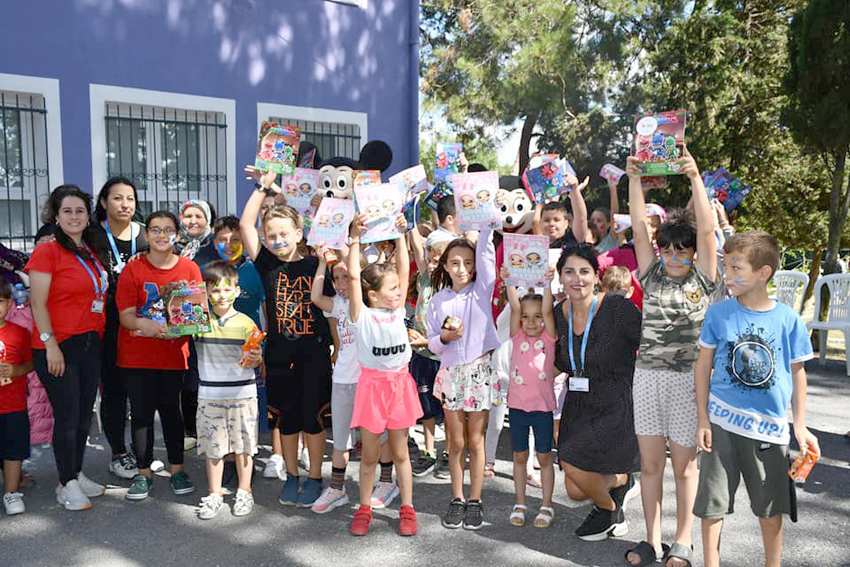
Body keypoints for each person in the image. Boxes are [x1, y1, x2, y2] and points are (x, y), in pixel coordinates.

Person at [694, 232, 819, 567]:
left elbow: (797, 373)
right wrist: (703, 419)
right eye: (725, 265)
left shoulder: (788, 319)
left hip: (769, 430)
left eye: (736, 266)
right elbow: (703, 365)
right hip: (721, 423)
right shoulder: (718, 314)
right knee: (712, 503)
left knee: (771, 505)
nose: (727, 273)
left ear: (763, 273)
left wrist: (801, 426)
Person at [625, 149, 718, 567]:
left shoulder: (705, 277)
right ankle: (652, 541)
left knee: (683, 467)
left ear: (693, 252)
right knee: (649, 466)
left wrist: (695, 176)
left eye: (684, 250)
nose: (676, 257)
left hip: (687, 381)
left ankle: (682, 541)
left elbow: (708, 231)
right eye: (669, 250)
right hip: (647, 377)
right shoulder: (652, 272)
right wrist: (633, 180)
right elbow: (641, 232)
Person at [239, 171, 332, 508]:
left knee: (314, 418)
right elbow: (246, 225)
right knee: (286, 419)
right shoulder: (266, 265)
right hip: (279, 354)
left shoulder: (316, 264)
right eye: (271, 235)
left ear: (298, 232)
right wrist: (263, 188)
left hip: (314, 354)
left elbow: (333, 310)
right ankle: (292, 476)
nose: (277, 240)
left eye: (283, 234)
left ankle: (315, 477)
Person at [27, 185, 108, 511]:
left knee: (81, 417)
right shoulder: (47, 252)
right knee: (67, 416)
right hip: (57, 346)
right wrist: (51, 346)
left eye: (79, 211)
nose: (74, 217)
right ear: (56, 217)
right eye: (67, 211)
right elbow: (37, 302)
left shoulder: (87, 249)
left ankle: (75, 473)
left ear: (87, 216)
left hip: (89, 343)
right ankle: (66, 484)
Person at [553, 244, 642, 540]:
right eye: (569, 272)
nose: (577, 279)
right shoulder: (558, 313)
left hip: (614, 403)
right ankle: (623, 483)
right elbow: (556, 361)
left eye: (584, 271)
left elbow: (650, 343)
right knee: (575, 490)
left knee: (568, 460)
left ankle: (607, 509)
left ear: (596, 275)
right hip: (578, 403)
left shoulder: (618, 309)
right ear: (559, 277)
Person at [116, 210, 201, 501]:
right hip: (137, 356)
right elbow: (125, 315)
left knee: (171, 412)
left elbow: (195, 313)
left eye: (168, 230)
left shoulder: (189, 269)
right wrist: (146, 326)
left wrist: (180, 329)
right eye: (155, 229)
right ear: (146, 234)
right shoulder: (133, 270)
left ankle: (177, 470)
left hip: (174, 356)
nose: (162, 235)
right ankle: (143, 474)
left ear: (176, 235)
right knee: (140, 415)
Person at [346, 213, 422, 537]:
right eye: (390, 289)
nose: (398, 291)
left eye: (398, 288)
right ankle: (364, 508)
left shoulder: (398, 311)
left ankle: (407, 509)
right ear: (372, 293)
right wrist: (354, 238)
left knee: (401, 452)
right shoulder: (361, 314)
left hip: (399, 385)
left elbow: (404, 271)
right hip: (372, 388)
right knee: (370, 455)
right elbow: (352, 277)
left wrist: (403, 237)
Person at [426, 229, 502, 531]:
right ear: (444, 266)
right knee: (456, 442)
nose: (462, 269)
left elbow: (486, 255)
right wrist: (443, 338)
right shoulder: (437, 301)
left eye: (468, 263)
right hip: (450, 375)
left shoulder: (482, 290)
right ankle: (457, 498)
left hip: (478, 372)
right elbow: (432, 341)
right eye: (455, 263)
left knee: (475, 440)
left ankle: (475, 500)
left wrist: (485, 226)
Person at [194, 261, 263, 520]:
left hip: (242, 395)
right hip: (209, 394)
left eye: (226, 290)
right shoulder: (198, 321)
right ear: (206, 292)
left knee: (245, 445)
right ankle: (215, 494)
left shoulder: (247, 324)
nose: (221, 295)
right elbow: (173, 329)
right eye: (214, 290)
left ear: (236, 290)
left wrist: (256, 358)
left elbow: (256, 359)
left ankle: (244, 491)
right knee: (214, 447)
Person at [92, 176, 149, 480]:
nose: (125, 204)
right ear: (104, 202)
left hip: (142, 322)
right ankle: (118, 453)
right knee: (114, 391)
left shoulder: (145, 234)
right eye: (117, 198)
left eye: (130, 198)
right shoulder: (91, 236)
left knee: (141, 391)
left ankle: (142, 452)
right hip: (107, 326)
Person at [501, 267, 558, 529]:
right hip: (517, 408)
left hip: (542, 409)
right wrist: (509, 280)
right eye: (526, 317)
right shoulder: (517, 335)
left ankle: (546, 504)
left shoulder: (548, 338)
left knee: (544, 458)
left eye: (537, 317)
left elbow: (548, 310)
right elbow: (514, 307)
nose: (532, 322)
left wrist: (546, 282)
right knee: (520, 456)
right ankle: (520, 502)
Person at [407, 225, 449, 477]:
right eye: (430, 259)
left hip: (442, 356)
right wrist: (410, 222)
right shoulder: (424, 278)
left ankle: (449, 451)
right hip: (421, 356)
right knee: (426, 407)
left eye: (438, 260)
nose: (432, 264)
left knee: (447, 407)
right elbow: (414, 245)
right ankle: (429, 450)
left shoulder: (451, 287)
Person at [0, 282, 33, 515]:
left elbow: (30, 363)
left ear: (9, 303)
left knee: (13, 451)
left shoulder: (19, 332)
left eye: (0, 302)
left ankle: (11, 493)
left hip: (13, 405)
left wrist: (16, 371)